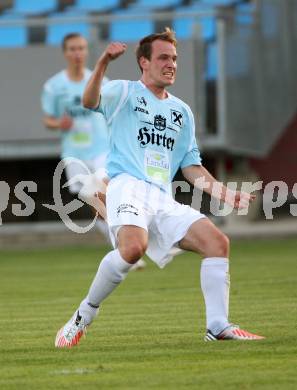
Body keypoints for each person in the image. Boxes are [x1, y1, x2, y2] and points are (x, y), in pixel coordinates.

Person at [55, 28, 264, 348]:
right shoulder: (123, 92)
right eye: (164, 58)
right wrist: (102, 64)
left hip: (161, 195)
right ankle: (84, 314)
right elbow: (88, 100)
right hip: (125, 184)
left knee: (217, 242)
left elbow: (191, 166)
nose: (171, 64)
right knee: (132, 249)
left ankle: (218, 326)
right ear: (144, 62)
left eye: (175, 59)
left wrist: (223, 193)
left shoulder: (181, 112)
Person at [41, 32, 147, 270]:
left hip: (102, 150)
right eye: (72, 49)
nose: (77, 53)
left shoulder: (100, 80)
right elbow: (47, 119)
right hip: (73, 154)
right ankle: (124, 248)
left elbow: (114, 111)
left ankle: (128, 247)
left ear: (87, 51)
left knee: (104, 194)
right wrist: (59, 124)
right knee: (97, 205)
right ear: (65, 53)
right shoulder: (54, 86)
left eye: (81, 48)